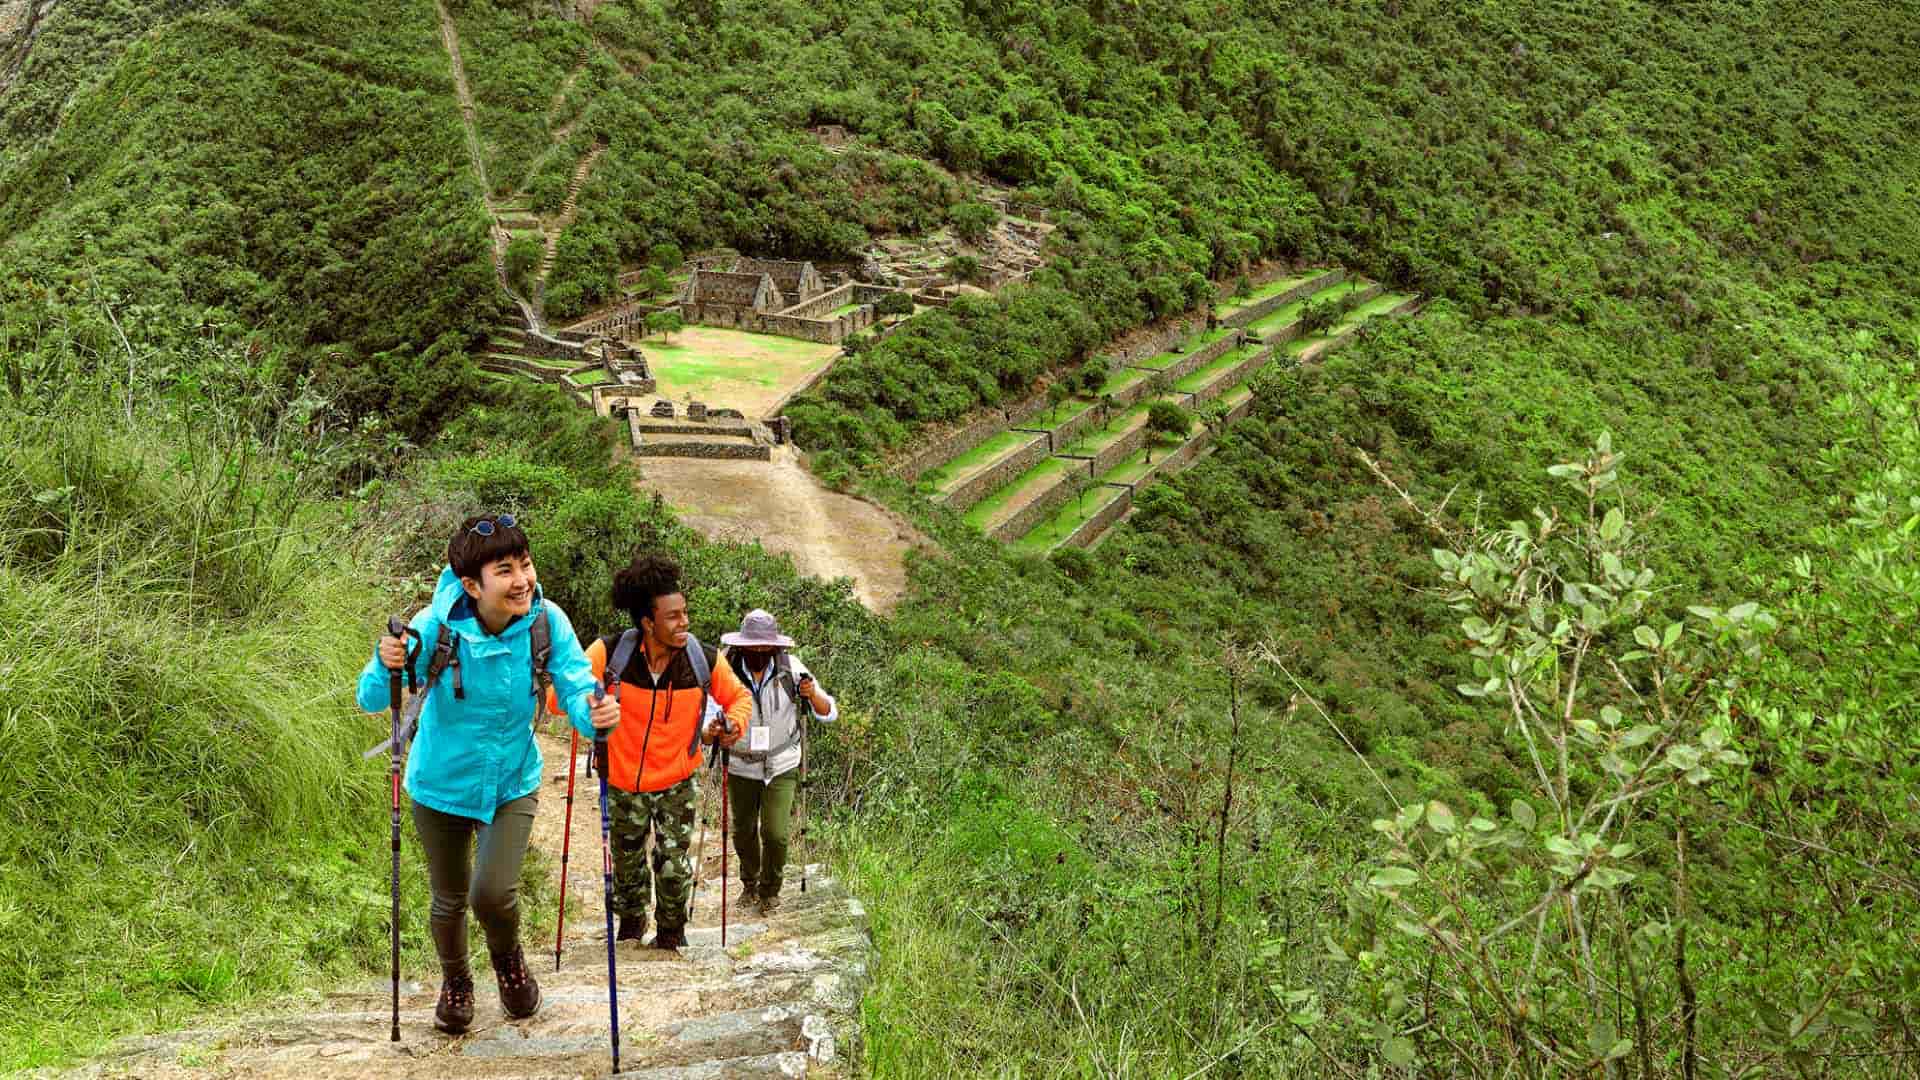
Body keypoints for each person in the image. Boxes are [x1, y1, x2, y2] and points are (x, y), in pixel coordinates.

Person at [357, 513, 618, 1035]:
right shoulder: (433, 627)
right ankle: (456, 984)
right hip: (439, 783)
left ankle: (509, 962)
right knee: (448, 897)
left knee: (492, 893)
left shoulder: (548, 623)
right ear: (473, 585)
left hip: (512, 781)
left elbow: (572, 685)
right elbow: (370, 698)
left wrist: (596, 715)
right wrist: (385, 662)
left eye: (524, 564)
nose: (522, 579)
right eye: (506, 570)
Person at [552, 552, 750, 949]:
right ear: (648, 622)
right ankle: (630, 926)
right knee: (626, 864)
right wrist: (593, 702)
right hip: (622, 780)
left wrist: (733, 725)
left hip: (678, 779)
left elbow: (739, 697)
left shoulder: (701, 659)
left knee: (674, 865)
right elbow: (561, 697)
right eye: (673, 616)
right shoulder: (611, 655)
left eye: (684, 613)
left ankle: (672, 935)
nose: (684, 623)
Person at [719, 610, 837, 916]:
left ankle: (770, 890)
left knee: (776, 833)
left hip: (782, 762)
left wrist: (811, 695)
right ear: (742, 646)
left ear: (775, 647)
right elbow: (707, 713)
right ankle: (750, 882)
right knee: (743, 830)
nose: (759, 653)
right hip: (741, 764)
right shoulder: (725, 670)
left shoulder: (791, 669)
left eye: (764, 648)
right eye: (752, 648)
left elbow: (828, 711)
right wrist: (715, 733)